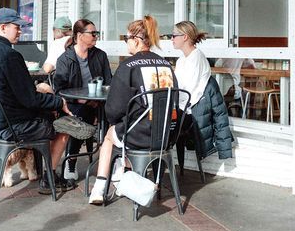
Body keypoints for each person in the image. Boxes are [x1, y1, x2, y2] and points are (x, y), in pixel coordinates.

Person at [0, 8, 73, 195]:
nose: (20, 31)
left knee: (47, 112)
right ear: (3, 28)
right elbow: (30, 99)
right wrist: (59, 103)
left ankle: (37, 169)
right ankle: (48, 176)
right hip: (14, 127)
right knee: (64, 126)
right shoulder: (10, 55)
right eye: (17, 27)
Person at [88, 16, 176, 205]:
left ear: (135, 40)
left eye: (126, 38)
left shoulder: (128, 66)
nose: (125, 42)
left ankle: (99, 188)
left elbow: (113, 109)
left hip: (139, 135)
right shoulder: (167, 64)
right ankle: (124, 177)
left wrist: (115, 120)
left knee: (111, 135)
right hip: (165, 135)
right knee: (125, 127)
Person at [169, 21, 233, 168]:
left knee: (158, 126)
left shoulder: (196, 57)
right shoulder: (181, 60)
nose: (171, 39)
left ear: (184, 37)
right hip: (181, 108)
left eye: (173, 35)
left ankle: (157, 166)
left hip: (192, 113)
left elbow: (187, 92)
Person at [54, 18, 112, 178]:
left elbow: (109, 82)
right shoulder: (65, 59)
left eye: (96, 33)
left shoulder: (100, 56)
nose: (96, 36)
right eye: (92, 33)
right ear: (79, 35)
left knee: (117, 113)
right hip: (74, 104)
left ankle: (115, 161)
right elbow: (59, 89)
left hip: (99, 102)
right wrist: (82, 100)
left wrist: (97, 99)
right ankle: (71, 163)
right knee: (81, 114)